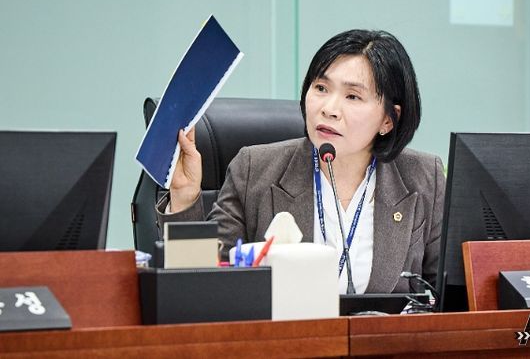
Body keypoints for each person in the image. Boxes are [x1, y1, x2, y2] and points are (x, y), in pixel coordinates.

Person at [157, 29, 445, 294]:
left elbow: (450, 299)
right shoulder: (255, 170)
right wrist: (184, 199)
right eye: (321, 88)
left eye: (353, 96)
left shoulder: (424, 178)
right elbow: (199, 290)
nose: (329, 109)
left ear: (388, 119)